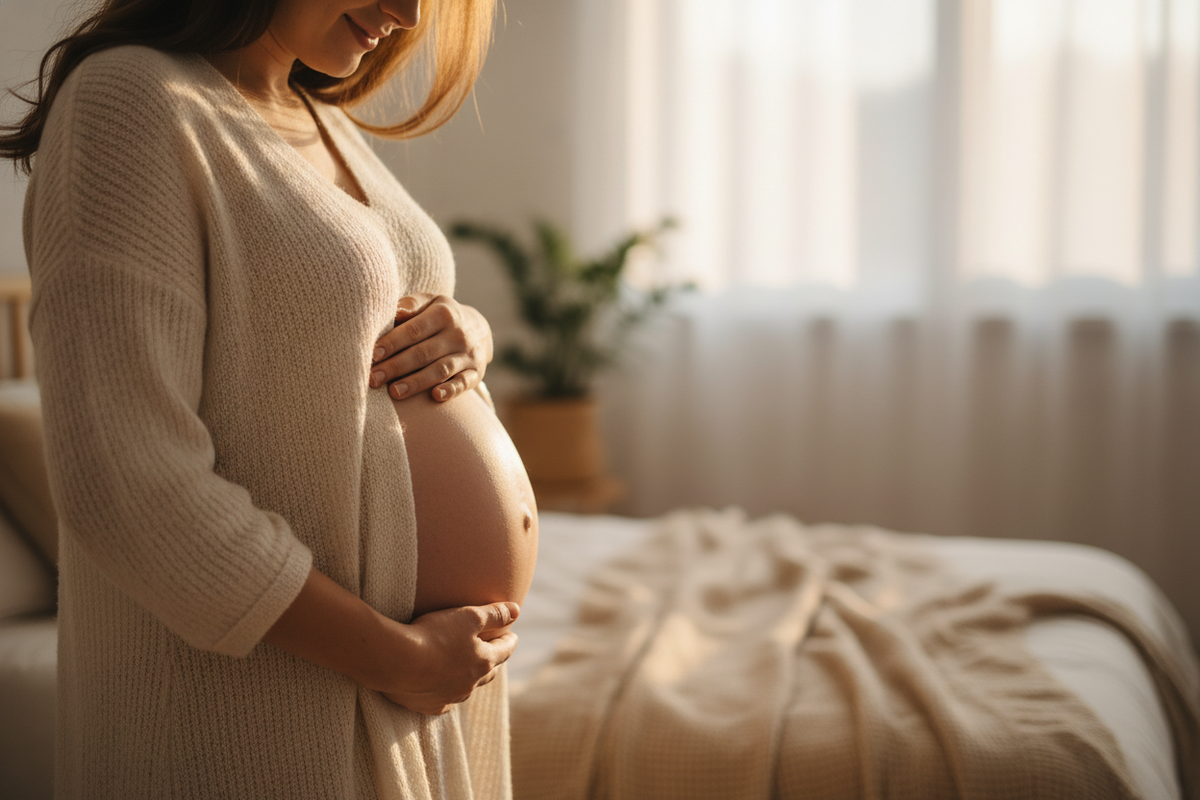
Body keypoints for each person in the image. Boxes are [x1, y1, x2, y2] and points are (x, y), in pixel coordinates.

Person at [1, 0, 540, 797]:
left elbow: (344, 326)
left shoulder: (312, 109)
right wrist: (396, 656)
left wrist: (470, 333)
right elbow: (124, 481)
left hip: (407, 694)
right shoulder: (129, 100)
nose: (406, 15)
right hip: (262, 715)